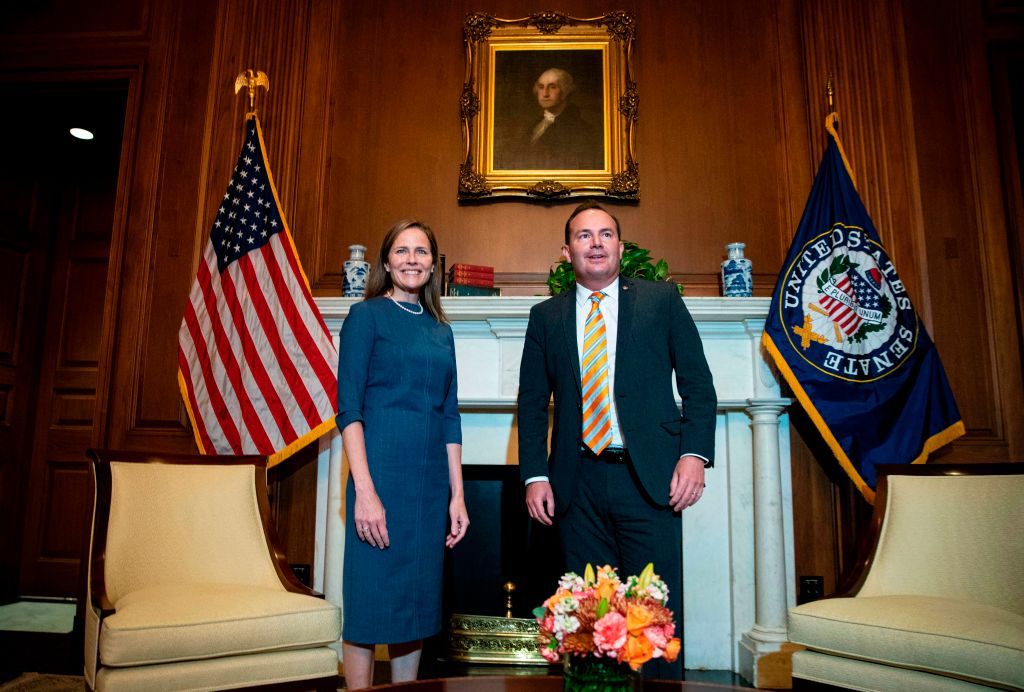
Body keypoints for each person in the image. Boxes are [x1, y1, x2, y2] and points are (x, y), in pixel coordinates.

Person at [517, 201, 716, 679]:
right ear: (567, 252)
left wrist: (693, 456)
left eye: (605, 234)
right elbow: (529, 403)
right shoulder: (546, 316)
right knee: (588, 619)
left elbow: (698, 385)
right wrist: (535, 474)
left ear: (620, 247)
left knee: (653, 618)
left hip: (648, 479)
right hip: (576, 483)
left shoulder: (660, 301)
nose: (596, 243)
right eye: (584, 236)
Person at [336, 220, 469, 689]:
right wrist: (364, 492)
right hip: (380, 480)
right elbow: (348, 410)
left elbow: (450, 416)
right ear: (386, 261)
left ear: (434, 263)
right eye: (402, 250)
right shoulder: (365, 316)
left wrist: (458, 495)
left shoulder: (441, 332)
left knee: (415, 609)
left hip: (430, 489)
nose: (412, 259)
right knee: (370, 606)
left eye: (421, 251)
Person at [497, 67, 603, 171]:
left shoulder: (581, 130)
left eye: (552, 87)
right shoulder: (534, 125)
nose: (545, 94)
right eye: (541, 87)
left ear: (565, 91)